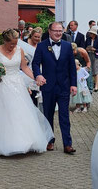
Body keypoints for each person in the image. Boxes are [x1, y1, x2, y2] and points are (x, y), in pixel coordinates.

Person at [0, 28, 53, 156]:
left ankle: (25, 141)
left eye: (15, 44)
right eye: (11, 44)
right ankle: (5, 142)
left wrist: (36, 77)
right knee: (5, 112)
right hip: (2, 85)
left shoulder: (19, 50)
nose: (13, 46)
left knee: (21, 111)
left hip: (18, 84)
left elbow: (24, 67)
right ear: (5, 41)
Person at [32, 22, 77, 154]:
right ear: (50, 31)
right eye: (56, 31)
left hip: (64, 86)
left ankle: (67, 144)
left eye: (60, 31)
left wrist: (73, 84)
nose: (58, 33)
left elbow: (72, 67)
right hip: (48, 86)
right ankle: (49, 140)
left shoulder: (68, 46)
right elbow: (35, 63)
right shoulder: (41, 46)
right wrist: (38, 75)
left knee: (64, 116)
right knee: (48, 114)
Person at [23, 27, 43, 106]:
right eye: (35, 36)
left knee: (35, 93)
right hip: (25, 70)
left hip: (37, 70)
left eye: (38, 37)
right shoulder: (24, 44)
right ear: (31, 35)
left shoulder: (41, 45)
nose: (37, 39)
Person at [85, 26, 98, 92]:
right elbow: (85, 46)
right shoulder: (88, 39)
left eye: (91, 33)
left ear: (94, 34)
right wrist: (87, 48)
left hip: (96, 56)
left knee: (96, 70)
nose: (90, 34)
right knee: (89, 69)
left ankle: (96, 85)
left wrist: (94, 49)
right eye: (90, 33)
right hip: (89, 55)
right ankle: (90, 85)